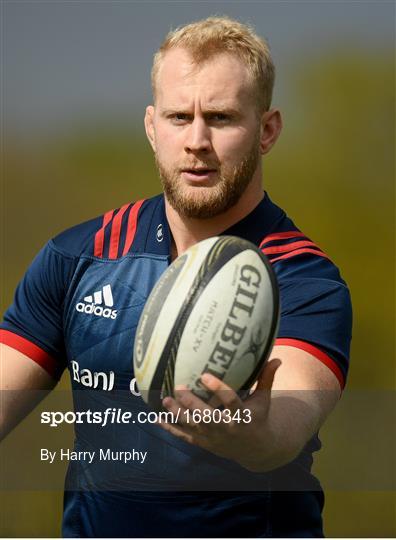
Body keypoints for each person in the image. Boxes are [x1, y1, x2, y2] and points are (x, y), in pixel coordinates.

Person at [0, 16, 352, 538]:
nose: (197, 140)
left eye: (221, 117)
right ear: (151, 126)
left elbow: (284, 426)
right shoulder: (79, 258)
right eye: (178, 117)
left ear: (267, 129)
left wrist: (244, 432)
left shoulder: (303, 280)